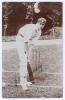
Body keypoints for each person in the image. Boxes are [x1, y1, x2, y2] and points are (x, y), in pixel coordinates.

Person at [16, 17, 46, 90]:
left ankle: (25, 81)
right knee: (23, 61)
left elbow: (32, 43)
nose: (41, 26)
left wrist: (28, 53)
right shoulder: (30, 28)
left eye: (43, 24)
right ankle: (23, 83)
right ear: (37, 23)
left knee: (27, 61)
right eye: (40, 24)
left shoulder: (39, 32)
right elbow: (26, 42)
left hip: (27, 42)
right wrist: (26, 53)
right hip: (20, 39)